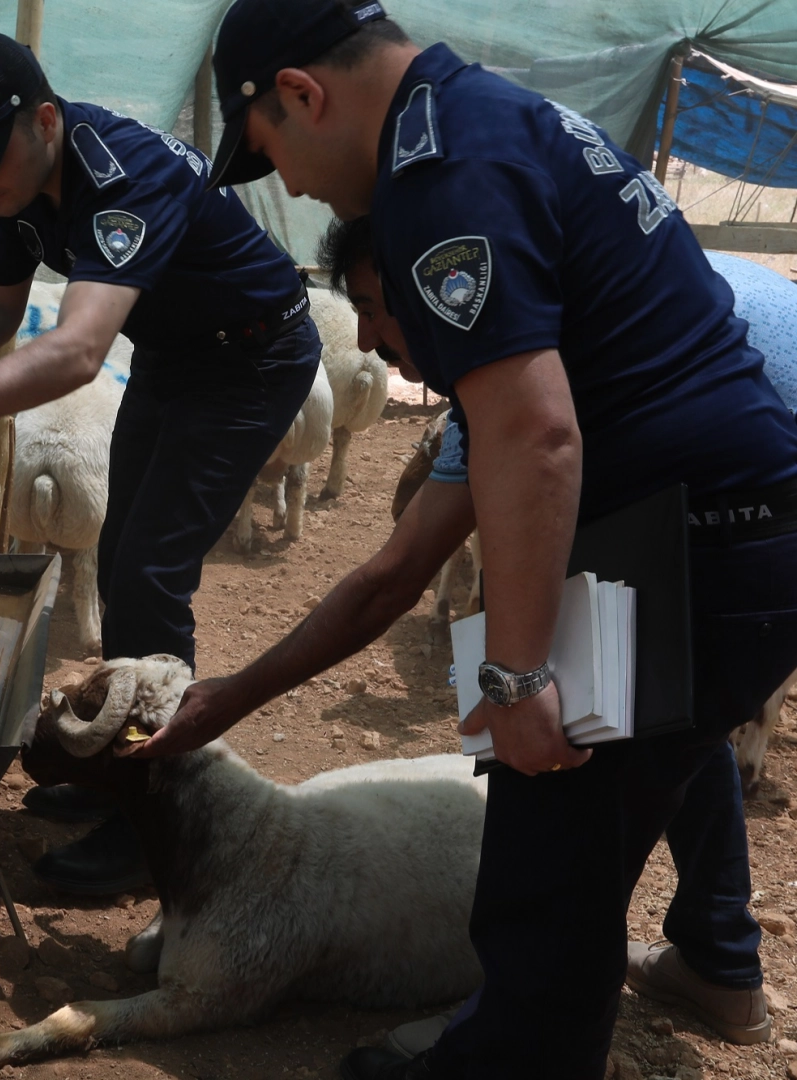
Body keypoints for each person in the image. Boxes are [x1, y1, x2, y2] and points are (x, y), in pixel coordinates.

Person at [131, 1, 797, 1076]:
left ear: (301, 94)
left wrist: (521, 669)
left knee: (541, 863)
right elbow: (396, 571)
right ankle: (661, 983)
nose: (291, 187)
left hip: (683, 548)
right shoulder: (484, 121)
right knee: (574, 853)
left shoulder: (437, 178)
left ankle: (503, 1055)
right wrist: (229, 699)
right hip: (718, 541)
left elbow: (537, 436)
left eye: (269, 156)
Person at [0, 31, 323, 894]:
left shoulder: (122, 180)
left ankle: (154, 809)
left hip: (250, 360)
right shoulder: (17, 191)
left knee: (148, 572)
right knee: (119, 551)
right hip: (174, 359)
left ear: (45, 121)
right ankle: (121, 773)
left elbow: (75, 353)